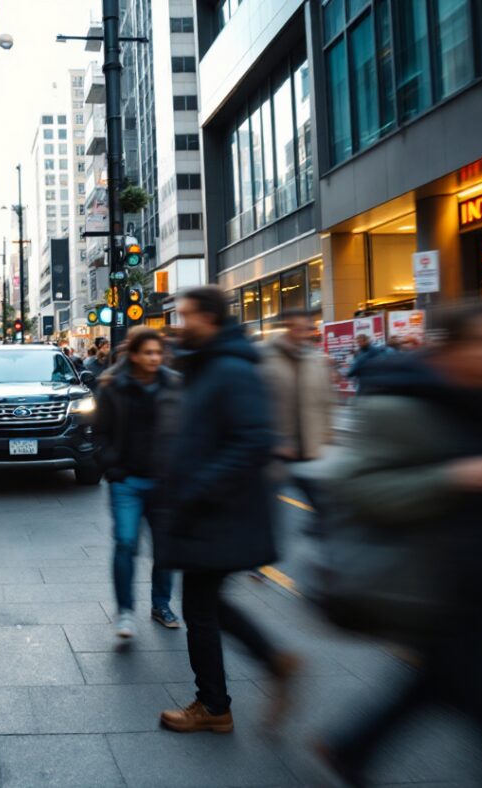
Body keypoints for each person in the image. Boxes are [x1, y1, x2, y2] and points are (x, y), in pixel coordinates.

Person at [314, 301, 482, 788]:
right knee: (481, 702)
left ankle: (348, 748)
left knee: (440, 683)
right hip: (430, 579)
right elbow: (360, 490)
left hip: (471, 576)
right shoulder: (398, 404)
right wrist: (458, 477)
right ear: (459, 348)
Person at [156, 286, 301, 734]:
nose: (179, 324)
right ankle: (271, 663)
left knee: (200, 608)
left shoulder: (231, 369)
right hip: (212, 510)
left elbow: (252, 441)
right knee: (207, 604)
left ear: (211, 319)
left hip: (219, 512)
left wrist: (198, 489)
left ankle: (215, 705)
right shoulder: (208, 365)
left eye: (187, 316)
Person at [94, 328, 181, 638]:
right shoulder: (113, 387)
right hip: (126, 481)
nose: (154, 358)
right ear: (134, 355)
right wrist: (111, 465)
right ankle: (125, 611)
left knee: (165, 549)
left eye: (158, 353)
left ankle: (161, 604)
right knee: (126, 542)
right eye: (148, 353)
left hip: (163, 482)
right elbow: (100, 431)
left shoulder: (173, 384)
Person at [258, 309, 335, 515]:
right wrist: (272, 439)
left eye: (306, 329)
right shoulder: (266, 358)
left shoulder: (315, 359)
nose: (302, 333)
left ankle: (324, 525)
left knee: (313, 491)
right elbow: (258, 401)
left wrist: (327, 429)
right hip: (278, 445)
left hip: (306, 442)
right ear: (287, 326)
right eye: (297, 328)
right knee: (271, 497)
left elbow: (326, 397)